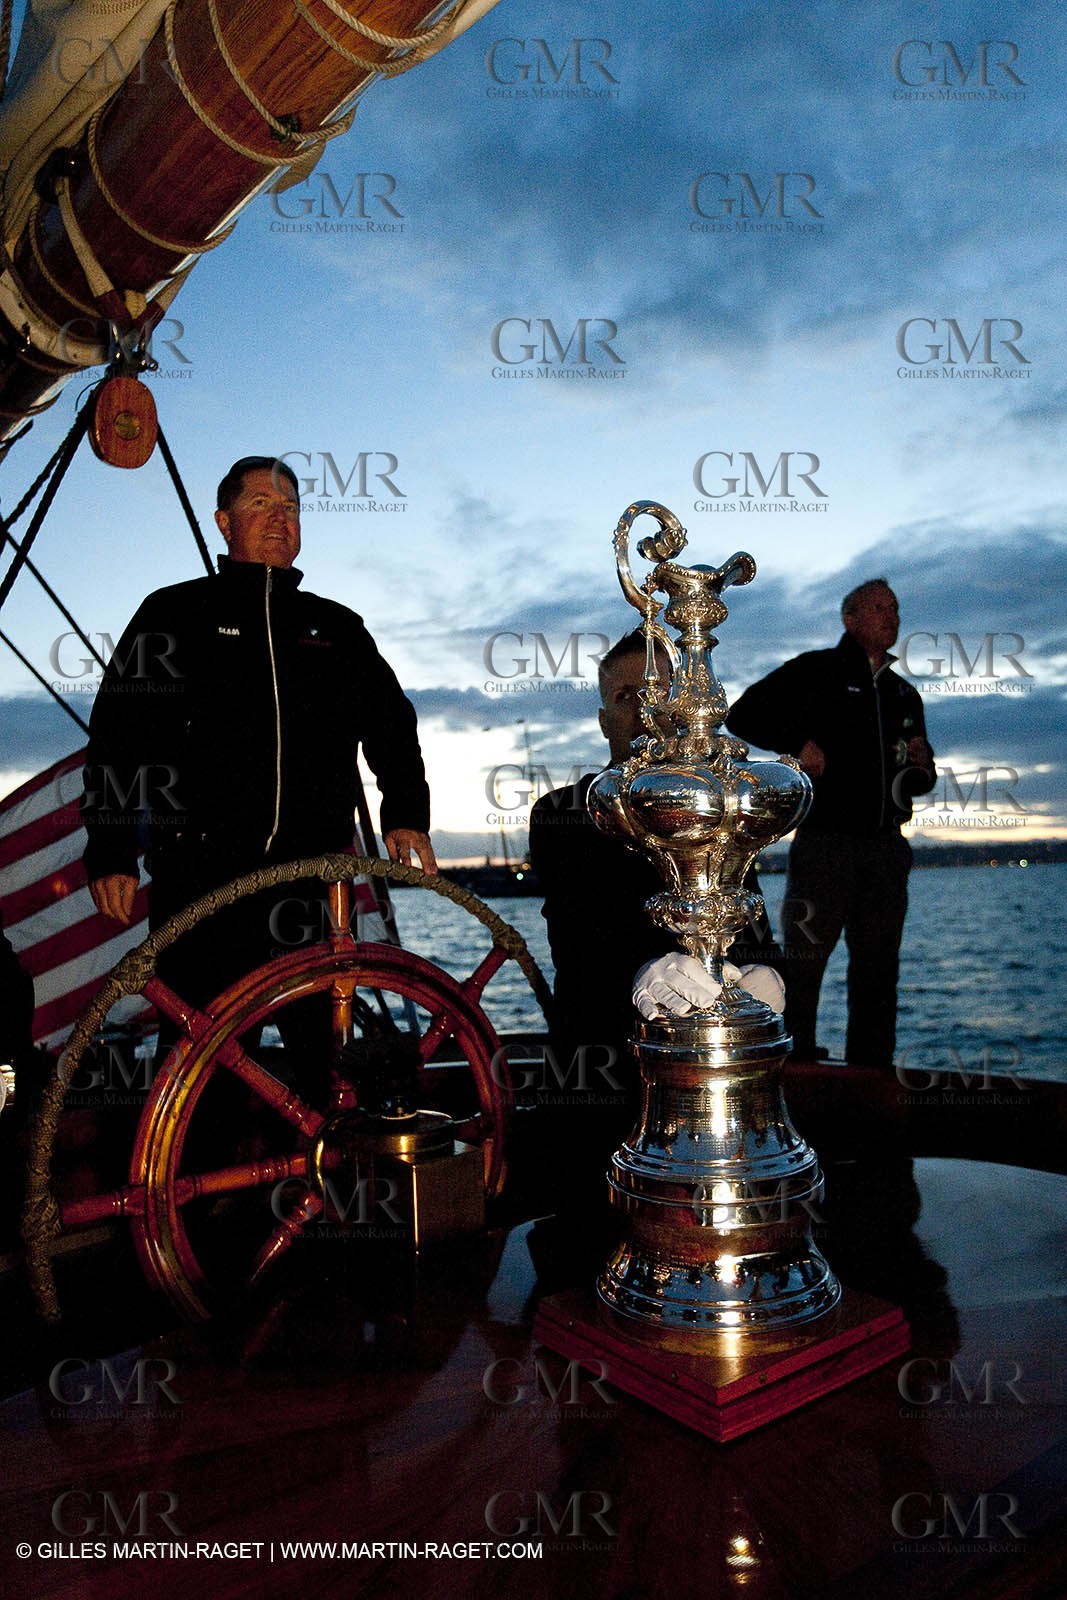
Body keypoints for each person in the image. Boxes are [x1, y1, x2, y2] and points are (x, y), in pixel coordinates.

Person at [82, 456, 434, 1084]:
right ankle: (194, 1179)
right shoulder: (172, 615)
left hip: (311, 884)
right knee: (195, 1064)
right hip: (200, 880)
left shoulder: (338, 627)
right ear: (224, 521)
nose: (280, 518)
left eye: (292, 507)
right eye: (261, 504)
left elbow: (390, 723)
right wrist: (110, 848)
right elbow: (119, 734)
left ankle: (322, 1177)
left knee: (323, 1063)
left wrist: (406, 814)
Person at [528, 628, 782, 1157]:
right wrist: (641, 976)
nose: (649, 710)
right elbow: (576, 947)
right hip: (600, 1081)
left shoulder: (726, 813)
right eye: (628, 696)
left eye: (664, 693)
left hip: (724, 1084)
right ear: (603, 720)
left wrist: (772, 978)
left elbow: (755, 930)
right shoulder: (562, 814)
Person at [726, 578, 935, 1071]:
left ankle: (871, 1078)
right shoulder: (816, 671)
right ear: (850, 619)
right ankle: (795, 1078)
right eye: (880, 608)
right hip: (825, 848)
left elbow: (918, 781)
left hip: (886, 851)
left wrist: (924, 768)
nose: (892, 617)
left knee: (879, 975)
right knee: (802, 970)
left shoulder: (905, 694)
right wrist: (797, 742)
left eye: (897, 608)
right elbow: (742, 714)